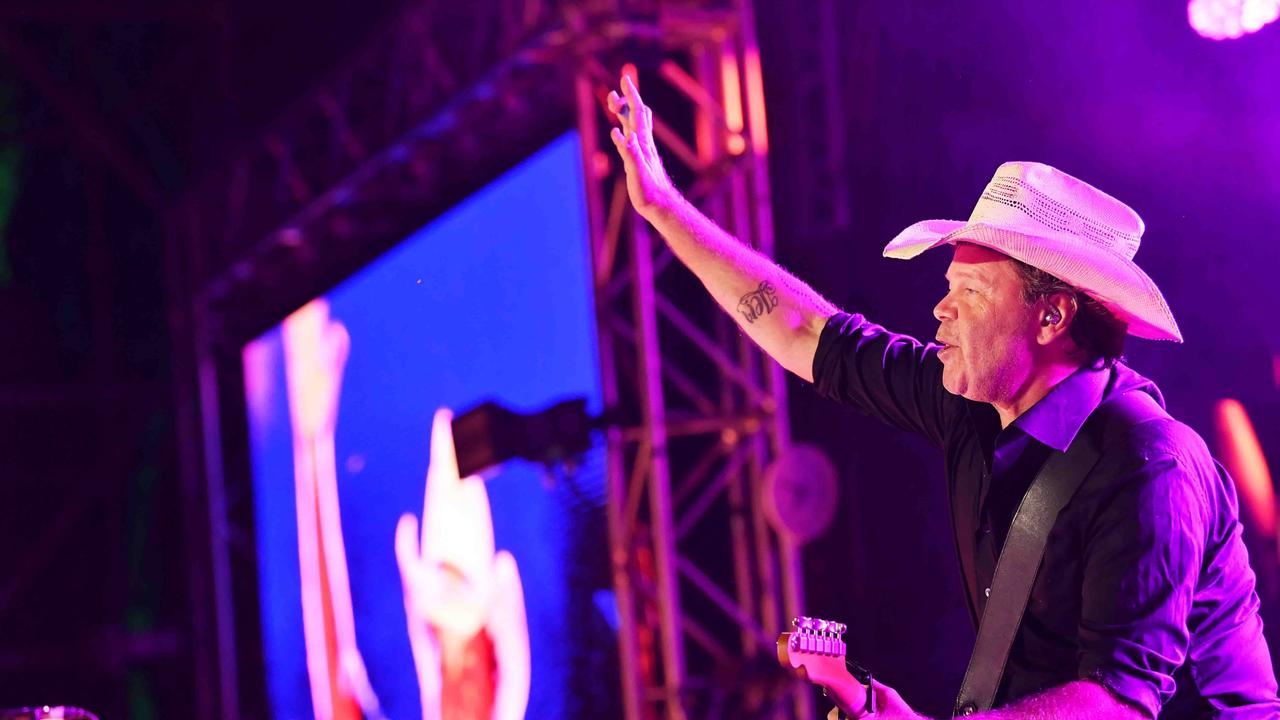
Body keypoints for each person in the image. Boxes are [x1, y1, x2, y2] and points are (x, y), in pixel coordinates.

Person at [605, 73, 1280, 719]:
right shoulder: (971, 403)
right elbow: (804, 329)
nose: (939, 312)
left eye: (971, 295)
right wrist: (664, 206)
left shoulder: (1146, 466)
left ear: (1052, 318)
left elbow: (1116, 703)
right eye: (948, 288)